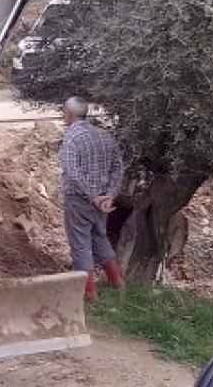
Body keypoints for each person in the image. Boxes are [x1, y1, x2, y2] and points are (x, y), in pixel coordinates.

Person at [58, 96, 126, 302]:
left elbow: (72, 172)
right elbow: (118, 168)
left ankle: (89, 294)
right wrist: (109, 195)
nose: (63, 115)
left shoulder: (71, 138)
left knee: (80, 245)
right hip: (102, 203)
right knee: (99, 238)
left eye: (64, 112)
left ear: (69, 114)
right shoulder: (104, 135)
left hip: (79, 201)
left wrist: (93, 197)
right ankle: (119, 284)